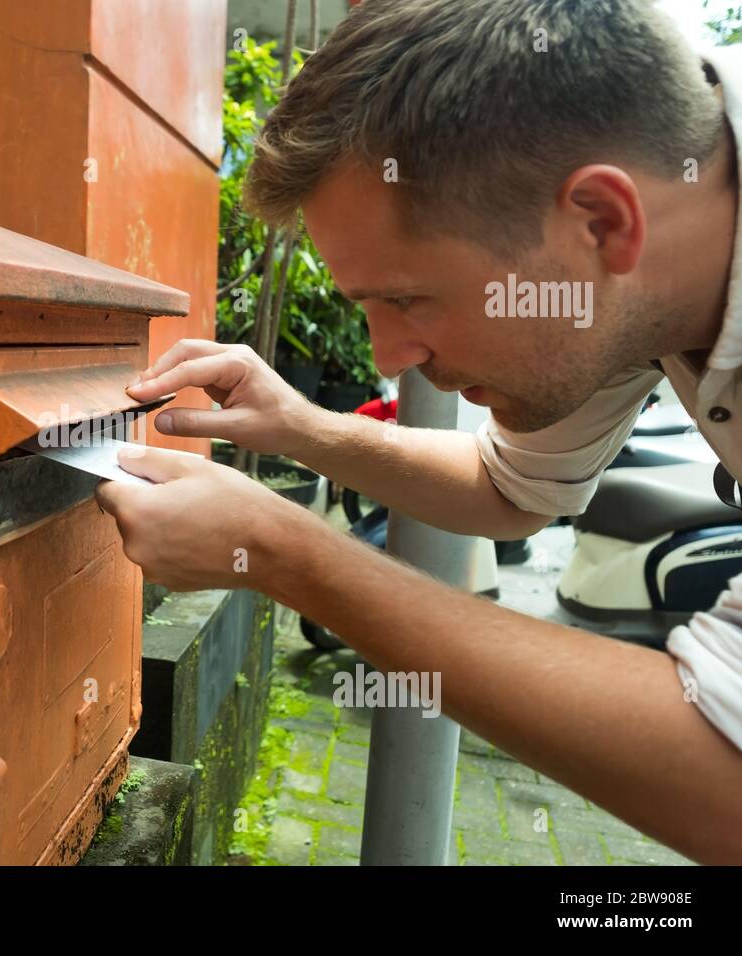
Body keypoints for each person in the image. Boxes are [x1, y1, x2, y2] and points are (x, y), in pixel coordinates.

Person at [94, 0, 742, 863]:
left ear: (601, 222)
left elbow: (723, 778)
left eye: (405, 297)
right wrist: (302, 428)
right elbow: (516, 490)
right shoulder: (626, 274)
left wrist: (282, 549)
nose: (392, 356)